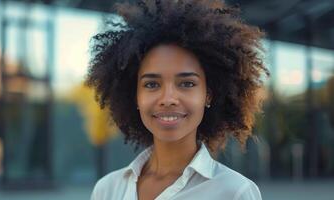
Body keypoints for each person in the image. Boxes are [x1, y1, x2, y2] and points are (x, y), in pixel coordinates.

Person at [87, 0, 269, 199]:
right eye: (152, 84)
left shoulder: (235, 192)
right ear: (135, 96)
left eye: (187, 84)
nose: (168, 99)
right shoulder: (107, 190)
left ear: (208, 94)